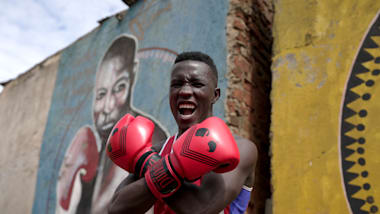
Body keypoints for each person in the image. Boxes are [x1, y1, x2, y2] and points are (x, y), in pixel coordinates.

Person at [107, 51, 258, 214]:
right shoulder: (157, 151)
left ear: (215, 95)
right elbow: (117, 208)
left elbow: (200, 209)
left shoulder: (240, 149)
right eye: (177, 84)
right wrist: (149, 161)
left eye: (197, 84)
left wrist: (151, 166)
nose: (185, 91)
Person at [56, 34, 168, 214]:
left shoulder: (149, 137)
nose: (107, 107)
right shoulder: (103, 147)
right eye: (100, 95)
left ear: (133, 75)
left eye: (119, 88)